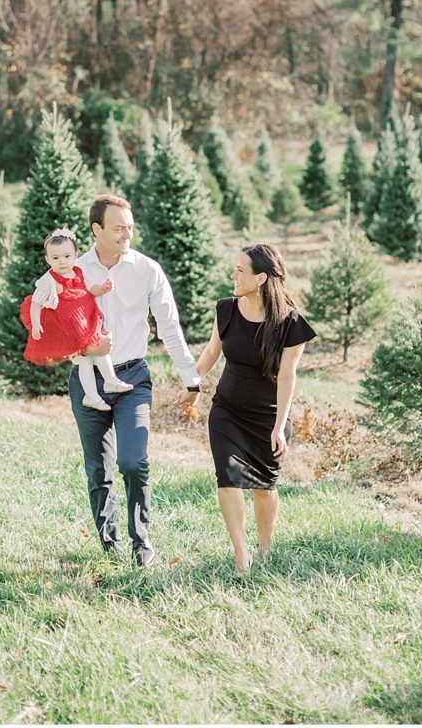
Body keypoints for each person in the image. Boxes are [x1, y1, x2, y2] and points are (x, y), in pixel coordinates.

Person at [69, 194, 201, 567]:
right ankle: (109, 545)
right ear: (96, 230)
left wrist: (189, 376)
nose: (127, 233)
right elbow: (58, 327)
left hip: (133, 378)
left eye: (130, 226)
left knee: (133, 460)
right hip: (89, 382)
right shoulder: (75, 272)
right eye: (118, 227)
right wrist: (76, 347)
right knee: (98, 467)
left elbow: (170, 328)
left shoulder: (147, 270)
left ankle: (141, 543)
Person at [176, 243, 315, 575]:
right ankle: (242, 556)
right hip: (227, 410)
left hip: (268, 416)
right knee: (228, 478)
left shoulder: (291, 324)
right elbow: (212, 351)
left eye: (240, 271)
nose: (233, 276)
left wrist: (280, 426)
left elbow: (287, 377)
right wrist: (193, 386)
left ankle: (266, 549)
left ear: (262, 278)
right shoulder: (226, 309)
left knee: (264, 488)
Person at [20, 227, 133, 411]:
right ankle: (92, 395)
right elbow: (36, 303)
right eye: (55, 258)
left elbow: (91, 289)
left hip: (87, 321)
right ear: (48, 259)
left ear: (75, 255)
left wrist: (102, 288)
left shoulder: (79, 272)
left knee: (99, 349)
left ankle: (109, 381)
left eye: (66, 256)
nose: (62, 261)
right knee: (84, 361)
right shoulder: (48, 279)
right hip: (69, 330)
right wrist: (37, 324)